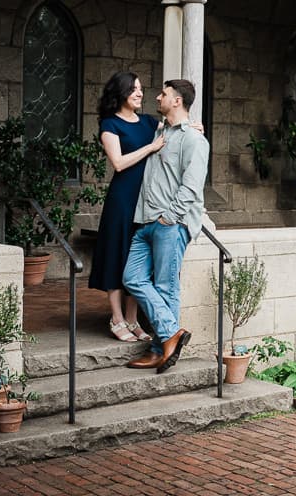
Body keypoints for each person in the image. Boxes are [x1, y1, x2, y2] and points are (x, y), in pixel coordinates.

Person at [123, 79, 208, 374]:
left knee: (165, 287)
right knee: (132, 278)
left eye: (163, 94)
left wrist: (170, 217)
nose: (157, 97)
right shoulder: (158, 130)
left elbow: (192, 186)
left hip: (169, 223)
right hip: (144, 220)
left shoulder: (194, 139)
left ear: (177, 101)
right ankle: (171, 334)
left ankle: (160, 349)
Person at [91, 72, 164, 342]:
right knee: (116, 253)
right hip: (122, 200)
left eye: (141, 89)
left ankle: (133, 319)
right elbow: (119, 163)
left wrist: (194, 128)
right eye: (133, 89)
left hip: (146, 200)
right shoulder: (110, 124)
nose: (139, 93)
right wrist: (151, 147)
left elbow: (174, 131)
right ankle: (117, 318)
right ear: (121, 92)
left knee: (139, 259)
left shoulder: (149, 122)